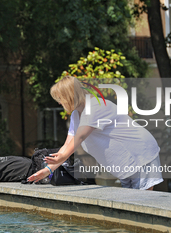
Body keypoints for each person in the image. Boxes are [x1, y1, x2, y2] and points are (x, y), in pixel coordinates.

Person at [28, 76, 163, 190]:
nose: (59, 102)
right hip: (126, 162)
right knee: (133, 205)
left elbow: (79, 137)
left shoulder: (95, 107)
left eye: (60, 98)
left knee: (143, 202)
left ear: (69, 96)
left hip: (140, 154)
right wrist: (47, 170)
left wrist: (59, 158)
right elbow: (67, 146)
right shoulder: (76, 114)